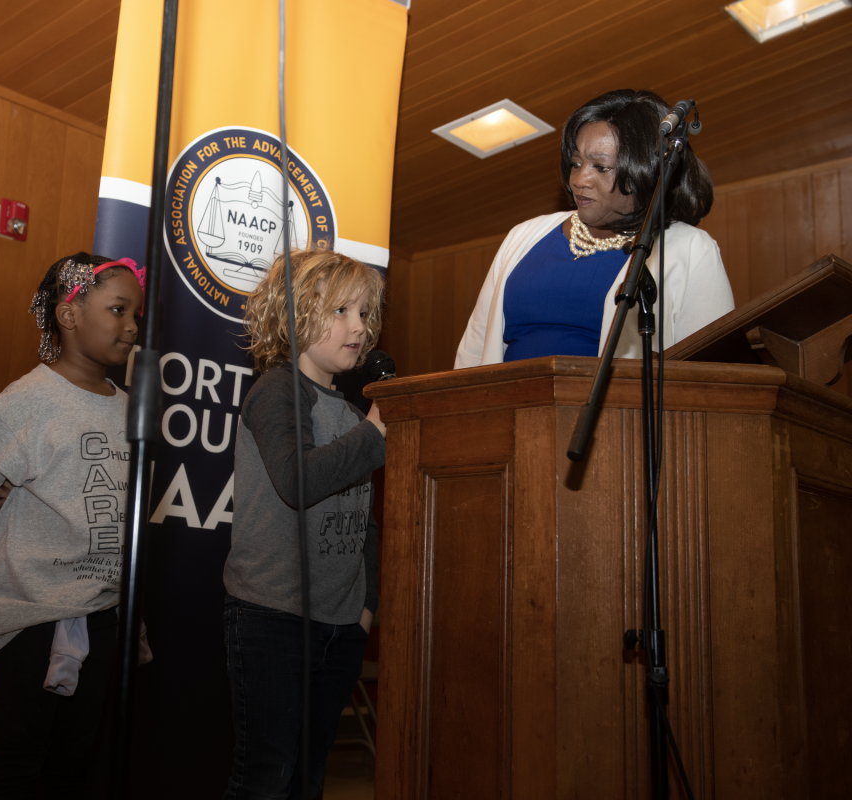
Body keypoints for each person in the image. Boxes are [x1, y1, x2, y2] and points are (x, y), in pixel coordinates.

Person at [0, 252, 145, 798]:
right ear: (69, 314)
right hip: (31, 612)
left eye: (137, 315)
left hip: (101, 609)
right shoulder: (27, 401)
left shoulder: (132, 408)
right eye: (118, 309)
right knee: (21, 757)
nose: (131, 326)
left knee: (73, 759)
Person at [223, 249, 387, 800]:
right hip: (274, 618)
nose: (359, 328)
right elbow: (297, 482)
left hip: (340, 626)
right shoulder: (277, 390)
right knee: (265, 778)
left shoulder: (350, 409)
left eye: (364, 314)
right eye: (342, 311)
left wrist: (366, 606)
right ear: (292, 315)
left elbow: (362, 517)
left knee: (308, 779)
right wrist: (374, 436)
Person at [455, 89, 734, 369]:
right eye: (576, 163)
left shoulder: (691, 250)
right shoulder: (523, 236)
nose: (579, 179)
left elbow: (712, 369)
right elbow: (474, 348)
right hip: (509, 408)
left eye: (601, 167)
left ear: (645, 171)